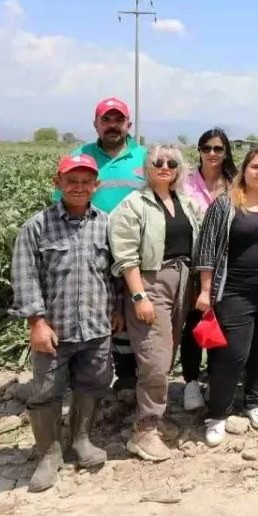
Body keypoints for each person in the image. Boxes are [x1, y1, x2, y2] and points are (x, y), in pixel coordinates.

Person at [11, 153, 118, 492]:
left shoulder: (105, 223)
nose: (79, 187)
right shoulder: (37, 226)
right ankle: (48, 453)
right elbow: (25, 276)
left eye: (87, 181)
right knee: (45, 390)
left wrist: (115, 310)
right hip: (54, 330)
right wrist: (36, 323)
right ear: (57, 183)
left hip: (96, 326)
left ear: (96, 186)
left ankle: (81, 440)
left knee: (93, 382)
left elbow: (113, 273)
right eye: (71, 180)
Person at [193, 149, 258, 446]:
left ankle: (256, 402)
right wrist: (205, 290)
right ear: (244, 170)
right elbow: (207, 251)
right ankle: (218, 413)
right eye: (255, 167)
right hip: (236, 290)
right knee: (233, 353)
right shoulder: (224, 205)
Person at [109, 144, 201, 462]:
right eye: (158, 162)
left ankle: (156, 419)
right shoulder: (134, 204)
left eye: (171, 162)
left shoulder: (184, 203)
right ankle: (144, 431)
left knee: (168, 352)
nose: (165, 167)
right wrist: (138, 296)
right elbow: (125, 255)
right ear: (147, 168)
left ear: (179, 169)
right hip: (151, 283)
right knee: (155, 360)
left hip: (181, 282)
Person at [64, 97, 146, 391]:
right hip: (92, 249)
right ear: (96, 125)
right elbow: (62, 201)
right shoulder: (80, 156)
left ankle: (128, 378)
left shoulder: (145, 157)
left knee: (132, 313)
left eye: (118, 120)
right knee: (98, 311)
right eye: (106, 120)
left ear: (129, 124)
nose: (113, 126)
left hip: (137, 252)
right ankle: (89, 381)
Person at [178, 128, 237, 411]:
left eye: (218, 149)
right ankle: (190, 382)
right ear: (199, 150)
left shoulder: (234, 184)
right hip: (191, 265)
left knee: (222, 323)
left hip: (227, 267)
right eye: (206, 148)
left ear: (226, 152)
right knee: (192, 324)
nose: (212, 154)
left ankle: (216, 379)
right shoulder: (185, 181)